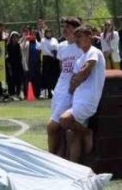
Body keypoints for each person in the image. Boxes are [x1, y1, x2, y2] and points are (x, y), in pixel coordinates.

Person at [58, 25, 106, 163]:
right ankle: (75, 166)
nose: (77, 40)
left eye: (80, 36)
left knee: (64, 120)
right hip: (78, 100)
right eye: (76, 37)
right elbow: (73, 82)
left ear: (89, 37)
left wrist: (77, 80)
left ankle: (87, 133)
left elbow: (85, 72)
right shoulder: (81, 58)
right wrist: (76, 81)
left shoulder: (94, 52)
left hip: (88, 101)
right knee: (71, 134)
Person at [45, 17, 82, 158]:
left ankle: (50, 158)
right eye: (63, 26)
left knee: (52, 126)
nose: (64, 29)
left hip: (71, 92)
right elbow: (63, 69)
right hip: (59, 90)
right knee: (58, 131)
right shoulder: (61, 46)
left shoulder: (81, 47)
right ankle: (59, 158)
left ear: (76, 29)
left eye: (68, 26)